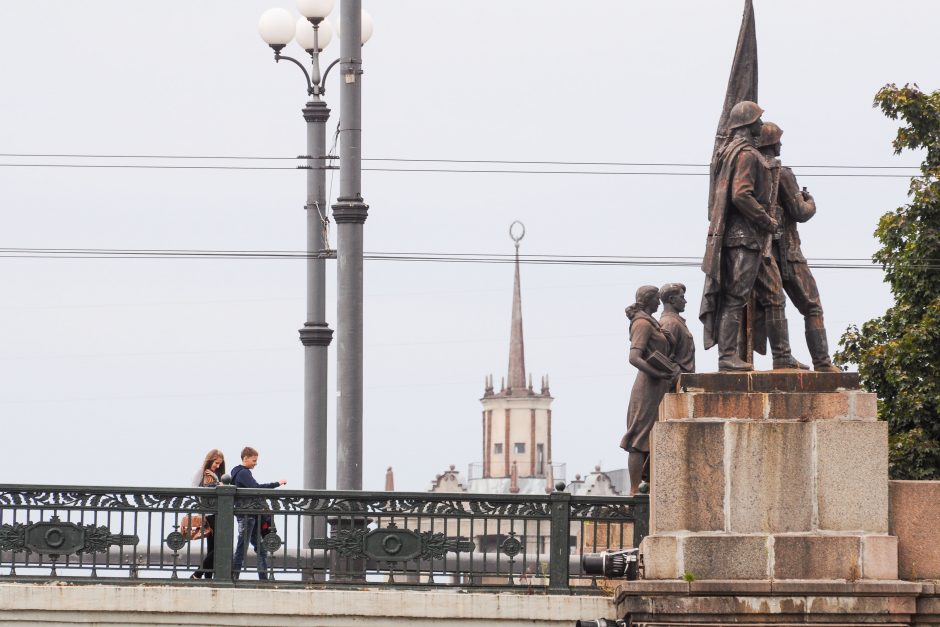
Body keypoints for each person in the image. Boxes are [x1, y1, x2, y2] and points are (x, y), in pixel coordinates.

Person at [700, 100, 806, 371]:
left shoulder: (733, 152)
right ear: (747, 125)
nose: (761, 125)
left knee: (774, 296)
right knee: (736, 297)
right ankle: (727, 358)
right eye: (758, 120)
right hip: (744, 238)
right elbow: (741, 194)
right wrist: (766, 219)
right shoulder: (746, 154)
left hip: (754, 240)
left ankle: (782, 355)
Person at [756, 122, 841, 372]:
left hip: (761, 252)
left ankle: (782, 357)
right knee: (812, 305)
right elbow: (799, 212)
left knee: (774, 302)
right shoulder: (781, 172)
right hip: (788, 251)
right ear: (772, 143)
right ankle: (822, 362)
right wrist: (810, 202)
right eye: (778, 140)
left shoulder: (752, 170)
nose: (781, 143)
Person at [619, 285, 676, 495]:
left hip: (658, 385)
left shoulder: (653, 324)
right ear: (649, 300)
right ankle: (635, 491)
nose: (659, 303)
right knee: (638, 438)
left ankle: (650, 486)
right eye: (656, 299)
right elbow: (634, 357)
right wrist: (658, 373)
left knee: (654, 436)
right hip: (647, 386)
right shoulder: (642, 324)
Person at [230, 446, 286, 580]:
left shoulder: (236, 472)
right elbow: (256, 488)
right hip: (247, 515)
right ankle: (233, 577)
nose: (256, 463)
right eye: (254, 460)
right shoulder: (243, 473)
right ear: (245, 458)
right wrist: (276, 483)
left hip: (250, 514)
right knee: (242, 547)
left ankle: (263, 578)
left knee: (260, 548)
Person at [190, 449, 225, 580]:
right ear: (210, 460)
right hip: (209, 513)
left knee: (212, 548)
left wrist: (216, 478)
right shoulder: (201, 472)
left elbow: (222, 487)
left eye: (219, 464)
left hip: (217, 512)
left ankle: (208, 577)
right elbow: (194, 489)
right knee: (220, 547)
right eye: (216, 463)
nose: (217, 466)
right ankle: (197, 574)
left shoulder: (215, 474)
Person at [658, 283, 695, 374]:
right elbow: (662, 357)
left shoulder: (676, 322)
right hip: (679, 380)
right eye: (682, 297)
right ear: (672, 299)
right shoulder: (670, 323)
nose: (685, 301)